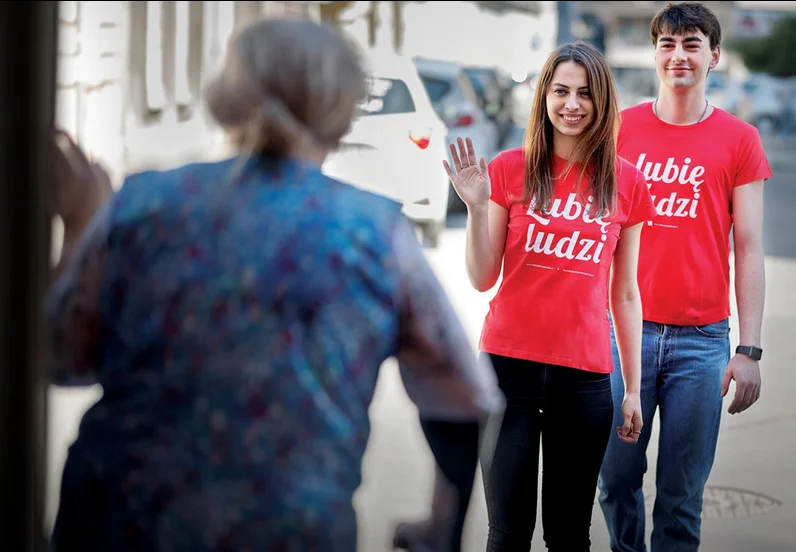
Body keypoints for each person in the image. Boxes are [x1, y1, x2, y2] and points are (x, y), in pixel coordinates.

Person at [45, 17, 504, 552]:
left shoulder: (142, 204)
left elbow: (59, 358)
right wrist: (438, 533)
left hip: (116, 519)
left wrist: (80, 224)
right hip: (288, 529)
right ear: (341, 111)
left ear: (228, 95)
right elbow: (462, 396)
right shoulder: (372, 232)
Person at [396, 41, 656, 551]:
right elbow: (481, 276)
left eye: (585, 93)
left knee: (567, 535)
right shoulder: (510, 169)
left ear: (603, 104)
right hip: (506, 372)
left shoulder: (626, 183)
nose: (573, 104)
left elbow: (625, 294)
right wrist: (474, 208)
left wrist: (631, 389)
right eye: (561, 91)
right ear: (544, 97)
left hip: (584, 379)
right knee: (507, 533)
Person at [597, 3, 773, 552]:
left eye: (692, 44)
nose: (679, 55)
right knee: (615, 480)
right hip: (623, 336)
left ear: (714, 56)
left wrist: (749, 348)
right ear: (655, 54)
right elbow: (586, 230)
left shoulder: (739, 140)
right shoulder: (617, 130)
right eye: (668, 44)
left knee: (681, 494)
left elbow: (748, 248)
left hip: (702, 343)